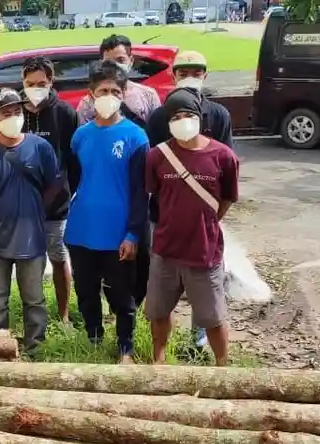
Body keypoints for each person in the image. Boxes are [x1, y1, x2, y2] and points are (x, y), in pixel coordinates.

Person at [145, 50, 234, 353]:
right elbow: (154, 190)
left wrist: (206, 219)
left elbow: (226, 194)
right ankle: (159, 361)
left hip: (204, 245)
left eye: (197, 71)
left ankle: (219, 364)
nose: (183, 121)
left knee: (211, 311)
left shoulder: (221, 142)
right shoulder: (157, 150)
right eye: (184, 71)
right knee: (158, 308)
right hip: (166, 241)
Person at [66, 61, 149, 363]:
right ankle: (93, 338)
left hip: (118, 234)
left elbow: (141, 192)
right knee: (87, 292)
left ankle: (125, 346)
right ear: (90, 93)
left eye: (116, 90)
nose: (109, 95)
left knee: (121, 296)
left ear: (124, 94)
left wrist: (133, 233)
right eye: (103, 90)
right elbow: (74, 181)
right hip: (81, 230)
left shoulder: (135, 137)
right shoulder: (81, 136)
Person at [0, 89, 62, 352]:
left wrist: (35, 212)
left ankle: (36, 348)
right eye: (6, 113)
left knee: (34, 299)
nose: (13, 117)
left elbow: (53, 187)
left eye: (17, 112)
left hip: (32, 240)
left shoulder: (39, 148)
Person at [21, 55, 79, 324]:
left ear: (51, 81)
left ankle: (64, 315)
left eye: (41, 83)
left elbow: (74, 159)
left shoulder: (65, 113)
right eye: (30, 83)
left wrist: (66, 190)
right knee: (30, 263)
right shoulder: (16, 111)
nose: (35, 88)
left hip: (56, 206)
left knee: (58, 259)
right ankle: (34, 315)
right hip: (23, 206)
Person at [75, 35, 162, 125]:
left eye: (120, 60)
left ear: (131, 60)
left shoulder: (148, 95)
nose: (115, 65)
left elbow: (156, 131)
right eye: (109, 61)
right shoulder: (88, 102)